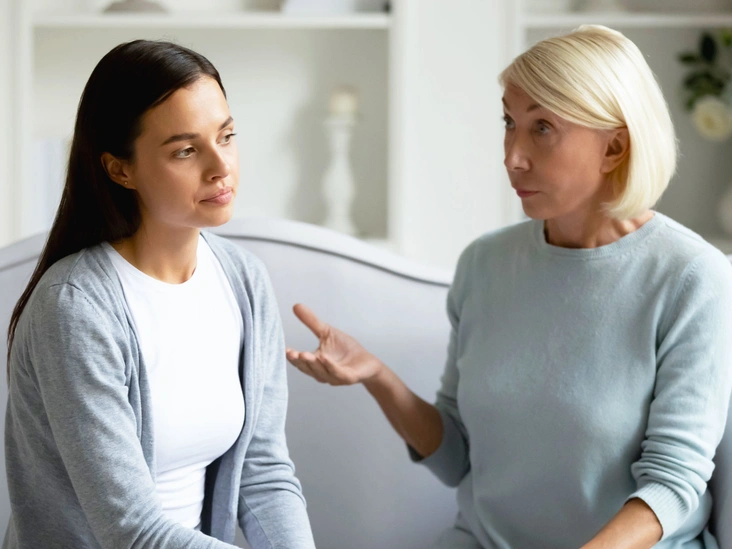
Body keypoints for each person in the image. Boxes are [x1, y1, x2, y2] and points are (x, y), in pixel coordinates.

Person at [286, 25, 732, 549]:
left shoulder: (691, 277)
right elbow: (457, 459)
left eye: (542, 128)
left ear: (614, 147)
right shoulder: (484, 264)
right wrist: (375, 374)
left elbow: (672, 485)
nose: (513, 156)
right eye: (509, 123)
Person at [4, 40, 315, 549]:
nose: (220, 166)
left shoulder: (244, 279)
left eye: (226, 136)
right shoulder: (75, 308)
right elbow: (130, 529)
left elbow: (263, 472)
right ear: (119, 169)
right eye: (185, 151)